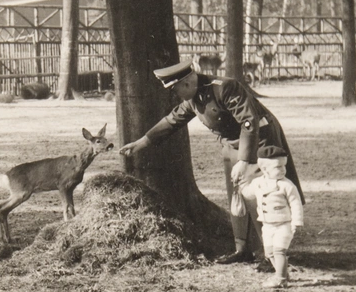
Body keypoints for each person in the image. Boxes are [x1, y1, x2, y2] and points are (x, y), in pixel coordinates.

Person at [119, 59, 304, 269]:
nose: (175, 94)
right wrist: (141, 143)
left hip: (259, 141)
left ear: (187, 82)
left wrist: (245, 161)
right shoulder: (193, 98)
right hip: (233, 144)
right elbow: (172, 120)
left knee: (262, 196)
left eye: (176, 89)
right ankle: (242, 249)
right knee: (236, 194)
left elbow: (249, 121)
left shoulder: (224, 87)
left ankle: (271, 254)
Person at [240, 145, 304, 288]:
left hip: (284, 224)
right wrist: (241, 187)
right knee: (269, 252)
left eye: (283, 166)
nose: (282, 170)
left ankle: (280, 278)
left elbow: (296, 204)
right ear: (264, 169)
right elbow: (249, 193)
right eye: (278, 167)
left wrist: (296, 222)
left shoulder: (287, 185)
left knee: (279, 250)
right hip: (267, 225)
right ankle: (283, 273)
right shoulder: (258, 183)